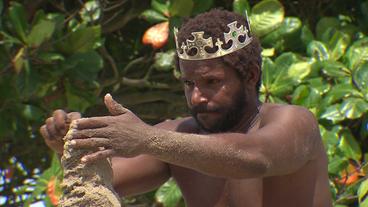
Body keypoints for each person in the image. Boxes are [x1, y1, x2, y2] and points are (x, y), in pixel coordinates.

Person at [40, 9, 333, 207]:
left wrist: (147, 139)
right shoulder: (179, 135)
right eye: (189, 83)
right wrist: (74, 144)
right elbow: (106, 179)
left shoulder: (296, 122)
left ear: (251, 76)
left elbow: (254, 158)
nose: (196, 97)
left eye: (211, 82)